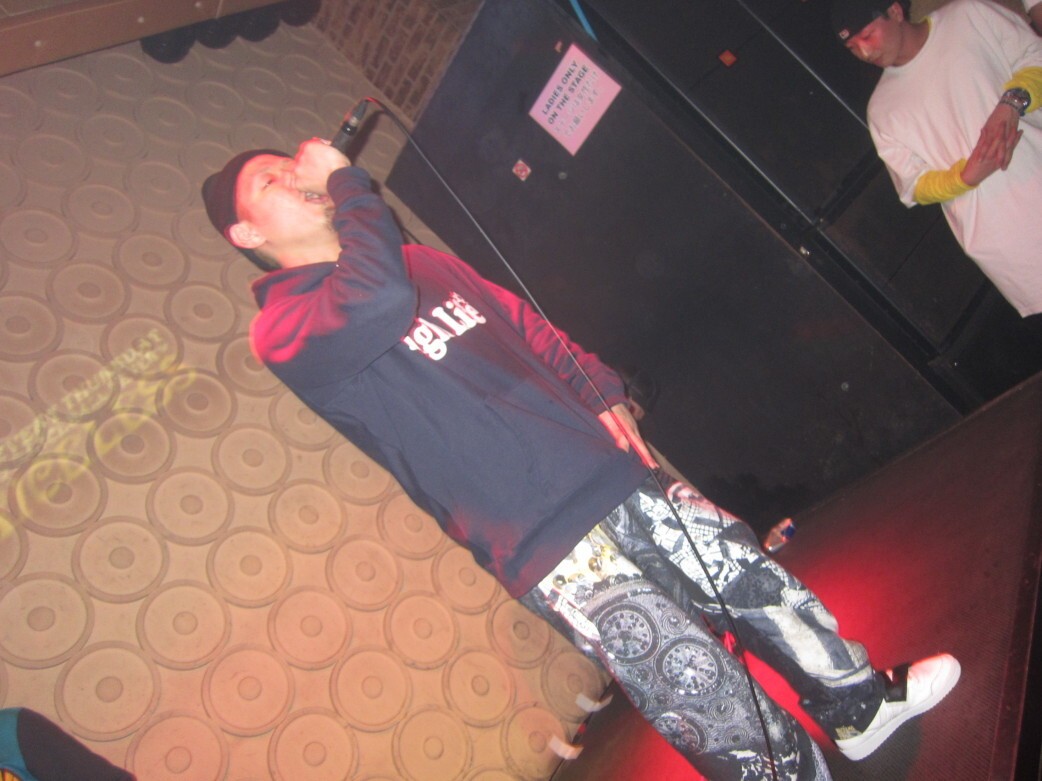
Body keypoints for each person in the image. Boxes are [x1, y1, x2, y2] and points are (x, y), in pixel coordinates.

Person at [201, 141, 960, 780]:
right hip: (547, 539)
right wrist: (346, 182)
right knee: (692, 682)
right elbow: (372, 300)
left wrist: (600, 389)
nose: (295, 174)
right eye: (271, 180)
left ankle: (859, 705)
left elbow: (523, 323)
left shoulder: (415, 258)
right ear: (245, 232)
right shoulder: (286, 329)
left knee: (754, 581)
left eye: (290, 162)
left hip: (610, 469)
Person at [831, 0, 1042, 318]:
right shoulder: (881, 110)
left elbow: (1035, 56)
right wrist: (966, 176)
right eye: (852, 48)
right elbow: (913, 185)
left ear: (895, 12)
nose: (864, 51)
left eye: (868, 35)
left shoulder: (967, 16)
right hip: (1009, 246)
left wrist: (1011, 104)